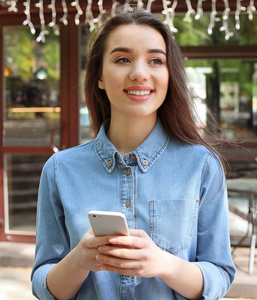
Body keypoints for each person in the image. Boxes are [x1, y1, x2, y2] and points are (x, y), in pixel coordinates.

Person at [31, 6, 236, 300]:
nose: (140, 73)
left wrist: (163, 264)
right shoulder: (59, 170)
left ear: (169, 74)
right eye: (123, 59)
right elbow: (43, 284)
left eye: (155, 60)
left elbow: (219, 275)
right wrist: (79, 260)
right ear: (99, 76)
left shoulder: (202, 166)